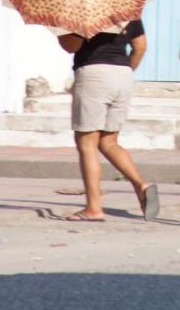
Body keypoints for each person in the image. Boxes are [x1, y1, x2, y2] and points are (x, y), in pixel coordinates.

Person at [58, 20, 159, 222]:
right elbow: (140, 46)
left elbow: (72, 46)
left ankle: (93, 208)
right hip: (122, 74)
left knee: (87, 144)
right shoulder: (124, 8)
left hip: (94, 73)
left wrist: (61, 29)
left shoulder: (81, 11)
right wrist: (125, 71)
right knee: (108, 142)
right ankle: (141, 185)